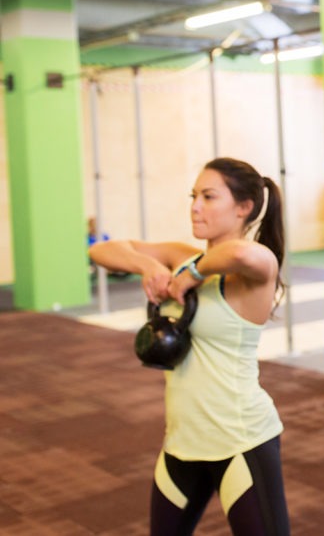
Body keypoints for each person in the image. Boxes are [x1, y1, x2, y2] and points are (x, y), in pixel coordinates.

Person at [89, 157, 290, 536]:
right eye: (193, 196)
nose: (195, 206)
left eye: (209, 197)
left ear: (244, 208)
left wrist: (194, 273)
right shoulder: (181, 255)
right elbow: (102, 250)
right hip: (182, 443)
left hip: (240, 442)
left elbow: (240, 254)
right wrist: (146, 266)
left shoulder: (256, 268)